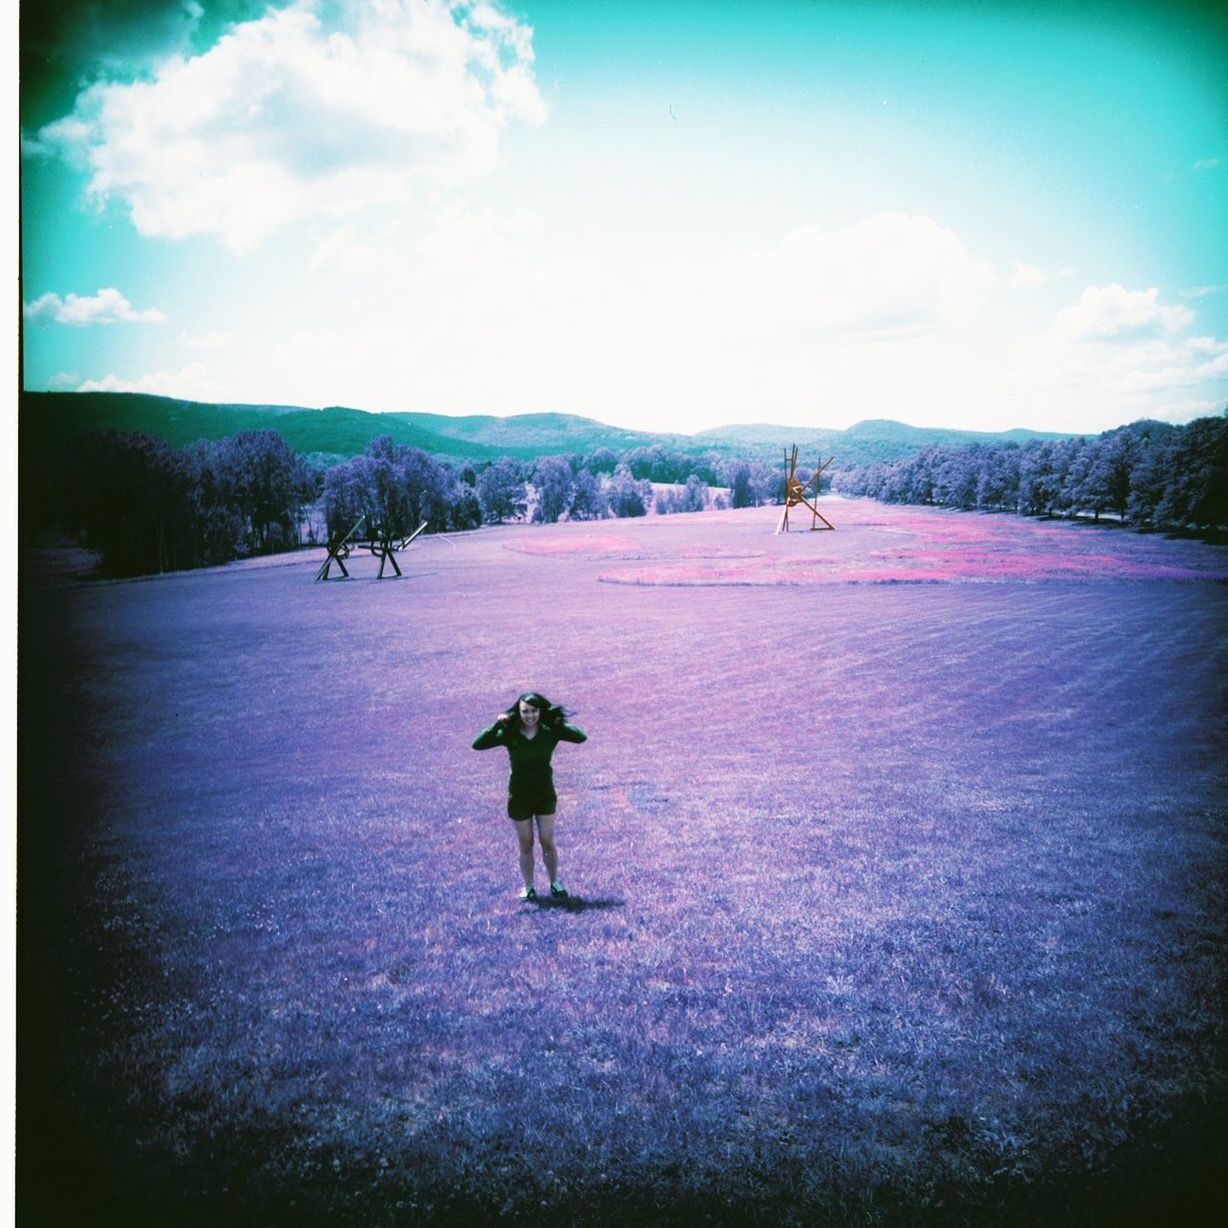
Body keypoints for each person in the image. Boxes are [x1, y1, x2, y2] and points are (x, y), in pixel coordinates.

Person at [472, 692, 587, 901]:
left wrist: (558, 723)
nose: (530, 715)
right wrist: (497, 724)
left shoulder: (549, 731)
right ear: (518, 711)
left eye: (534, 711)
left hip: (545, 794)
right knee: (526, 844)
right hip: (519, 797)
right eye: (525, 711)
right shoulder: (510, 733)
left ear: (540, 711)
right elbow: (477, 744)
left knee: (547, 840)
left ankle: (555, 883)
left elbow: (581, 736)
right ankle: (529, 887)